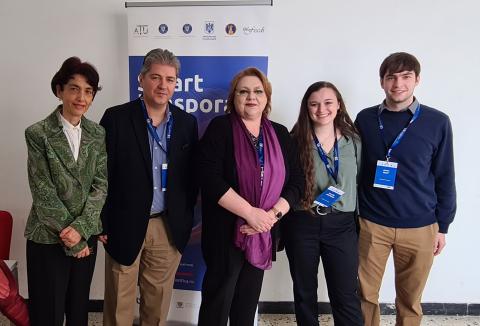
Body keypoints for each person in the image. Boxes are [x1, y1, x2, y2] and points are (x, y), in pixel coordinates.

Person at [355, 52, 456, 326]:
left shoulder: (437, 122)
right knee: (364, 295)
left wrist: (443, 227)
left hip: (421, 227)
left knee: (410, 300)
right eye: (391, 77)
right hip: (372, 223)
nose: (398, 84)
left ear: (417, 80)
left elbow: (445, 176)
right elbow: (353, 169)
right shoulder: (364, 119)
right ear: (382, 82)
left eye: (405, 77)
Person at [197, 67, 304, 326]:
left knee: (247, 303)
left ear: (267, 98)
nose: (251, 97)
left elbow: (297, 181)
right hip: (225, 233)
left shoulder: (279, 133)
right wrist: (250, 214)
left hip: (263, 232)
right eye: (243, 91)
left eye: (258, 91)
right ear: (233, 98)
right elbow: (208, 178)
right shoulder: (220, 128)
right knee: (218, 301)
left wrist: (270, 216)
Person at [100, 48, 198, 326]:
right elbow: (101, 174)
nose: (162, 85)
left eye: (170, 79)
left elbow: (191, 178)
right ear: (141, 79)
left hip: (167, 226)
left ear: (176, 84)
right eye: (155, 77)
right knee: (119, 301)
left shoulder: (186, 123)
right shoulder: (116, 118)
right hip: (123, 223)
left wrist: (184, 217)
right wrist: (102, 222)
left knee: (157, 305)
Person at [24, 57, 107, 326]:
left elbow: (100, 184)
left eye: (88, 91)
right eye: (74, 88)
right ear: (59, 90)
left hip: (85, 236)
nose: (81, 97)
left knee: (78, 311)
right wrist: (74, 239)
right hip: (48, 238)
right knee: (47, 314)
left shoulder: (97, 133)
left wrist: (82, 230)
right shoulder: (38, 133)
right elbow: (42, 190)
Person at [284, 81, 363, 326]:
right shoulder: (294, 141)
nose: (321, 109)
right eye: (314, 104)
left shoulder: (354, 142)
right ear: (306, 108)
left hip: (342, 226)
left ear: (338, 105)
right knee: (304, 292)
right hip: (302, 223)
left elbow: (359, 182)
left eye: (328, 102)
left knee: (346, 293)